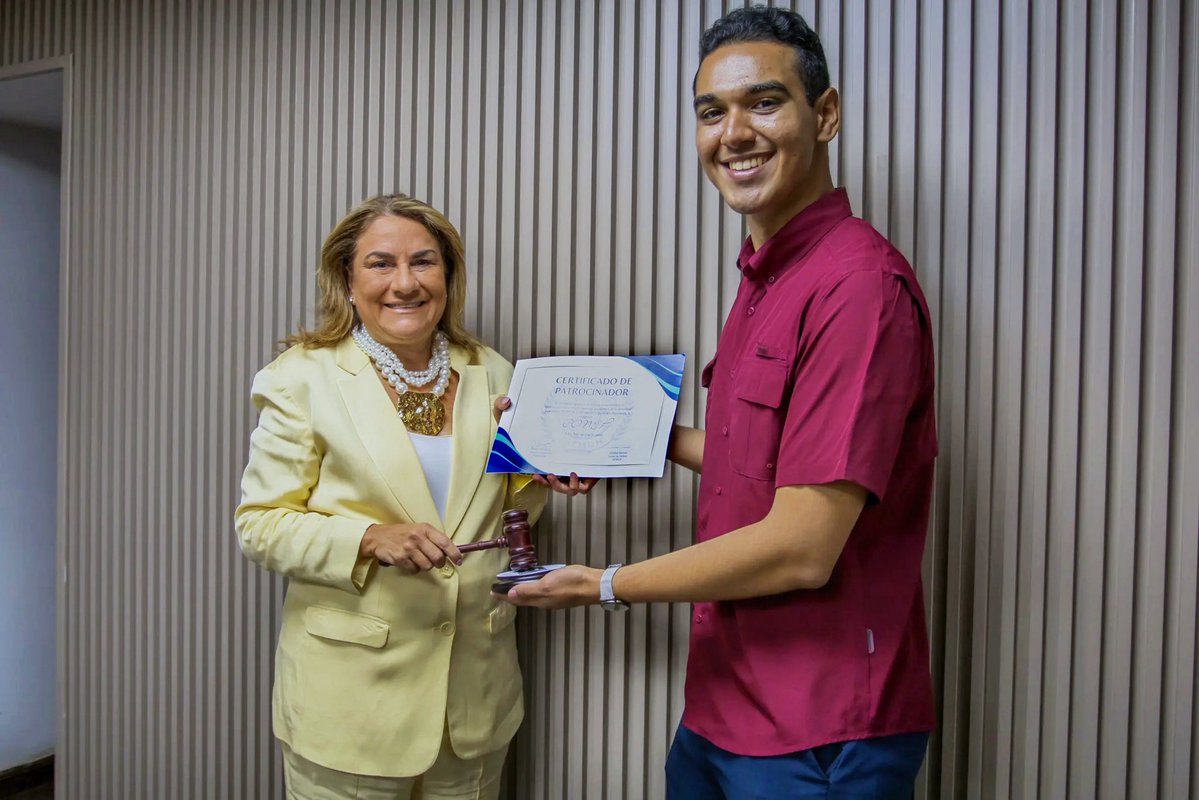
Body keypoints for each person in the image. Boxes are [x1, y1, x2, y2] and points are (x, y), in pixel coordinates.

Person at [502, 6, 937, 798]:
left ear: (825, 114)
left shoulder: (857, 287)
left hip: (817, 728)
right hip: (720, 704)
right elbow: (760, 463)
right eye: (712, 112)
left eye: (763, 103)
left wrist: (602, 583)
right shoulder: (765, 276)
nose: (733, 133)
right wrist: (613, 434)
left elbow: (802, 545)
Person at [235, 193, 592, 800]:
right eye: (381, 263)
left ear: (448, 277)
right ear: (347, 280)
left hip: (474, 702)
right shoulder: (301, 378)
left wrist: (541, 476)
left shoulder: (495, 372)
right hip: (352, 708)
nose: (405, 283)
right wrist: (370, 539)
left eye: (424, 262)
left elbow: (503, 512)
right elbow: (260, 525)